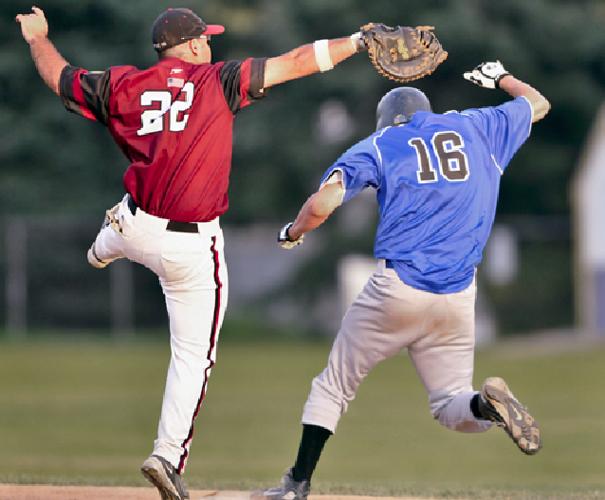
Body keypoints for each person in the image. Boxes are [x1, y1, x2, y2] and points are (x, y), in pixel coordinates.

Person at [15, 6, 373, 499]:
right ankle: (166, 455)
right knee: (193, 357)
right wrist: (357, 41)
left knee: (129, 219)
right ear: (195, 45)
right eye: (206, 38)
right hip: (189, 245)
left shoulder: (122, 84)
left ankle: (108, 240)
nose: (211, 44)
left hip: (140, 223)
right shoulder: (217, 81)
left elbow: (60, 77)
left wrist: (38, 37)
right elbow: (294, 62)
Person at [257, 61, 551, 500]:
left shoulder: (381, 143)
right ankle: (486, 405)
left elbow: (325, 202)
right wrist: (501, 78)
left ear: (388, 120)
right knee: (452, 404)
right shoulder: (476, 126)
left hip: (398, 290)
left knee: (333, 386)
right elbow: (537, 104)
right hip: (458, 294)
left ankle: (297, 483)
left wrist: (292, 233)